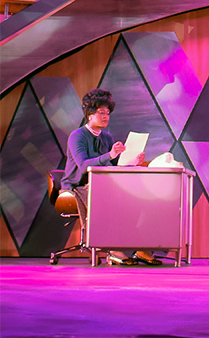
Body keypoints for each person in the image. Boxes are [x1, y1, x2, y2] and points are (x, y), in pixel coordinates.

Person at [60, 88, 161, 266]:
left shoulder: (106, 137)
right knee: (110, 197)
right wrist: (110, 154)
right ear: (89, 114)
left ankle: (140, 246)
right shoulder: (77, 136)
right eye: (101, 113)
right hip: (77, 186)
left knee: (138, 197)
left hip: (103, 183)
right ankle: (112, 248)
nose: (106, 117)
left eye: (107, 113)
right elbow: (84, 166)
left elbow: (113, 166)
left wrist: (133, 161)